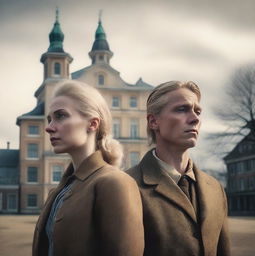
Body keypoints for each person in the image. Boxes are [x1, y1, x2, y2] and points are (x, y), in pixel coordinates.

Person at [32, 80, 144, 256]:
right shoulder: (59, 191)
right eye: (49, 119)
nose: (49, 127)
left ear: (92, 124)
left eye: (61, 116)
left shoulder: (115, 183)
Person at [126, 81, 231, 256]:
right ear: (153, 121)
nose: (195, 118)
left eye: (197, 111)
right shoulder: (126, 186)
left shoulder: (215, 188)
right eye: (182, 109)